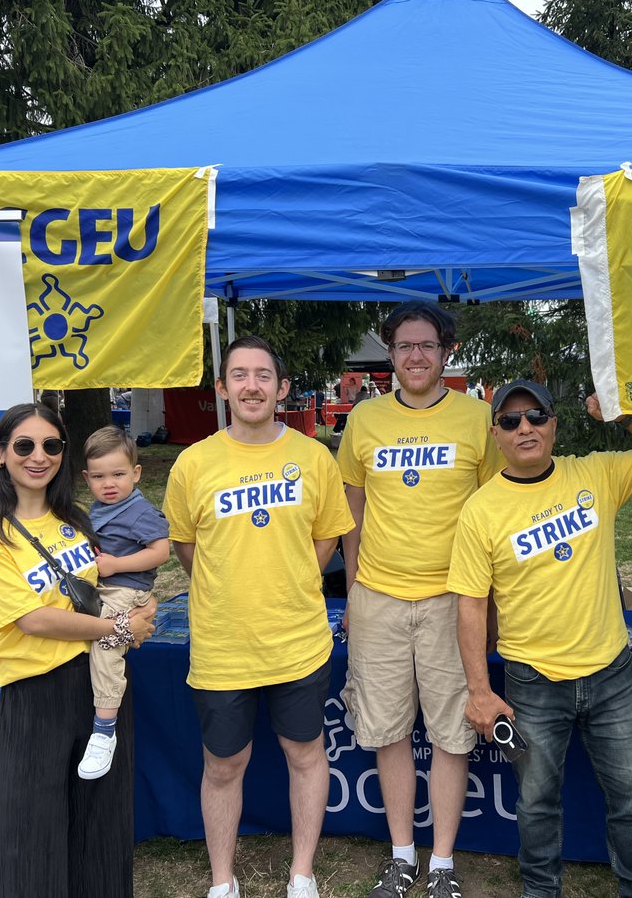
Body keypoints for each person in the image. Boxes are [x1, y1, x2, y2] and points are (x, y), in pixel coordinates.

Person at [449, 380, 632, 898]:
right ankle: (540, 892)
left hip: (611, 675)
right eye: (510, 421)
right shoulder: (481, 510)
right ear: (495, 435)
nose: (524, 428)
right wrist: (480, 691)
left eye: (534, 416)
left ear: (554, 423)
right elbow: (469, 605)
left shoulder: (594, 472)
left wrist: (624, 415)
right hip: (532, 682)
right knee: (536, 804)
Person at [163, 335, 354, 898]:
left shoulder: (313, 457)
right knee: (224, 765)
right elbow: (187, 550)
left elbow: (325, 543)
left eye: (263, 376)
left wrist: (285, 580)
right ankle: (223, 881)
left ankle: (302, 873)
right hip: (224, 644)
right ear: (222, 388)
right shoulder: (192, 464)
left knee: (305, 753)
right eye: (239, 376)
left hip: (296, 639)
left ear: (282, 388)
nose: (251, 386)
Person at [0, 403, 157, 898]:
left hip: (98, 688)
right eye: (24, 445)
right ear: (1, 455)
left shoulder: (76, 519)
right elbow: (32, 619)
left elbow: (120, 587)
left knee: (101, 824)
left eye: (51, 445)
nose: (38, 456)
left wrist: (140, 613)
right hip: (35, 696)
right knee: (31, 834)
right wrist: (118, 628)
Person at [337, 300, 502, 898]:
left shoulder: (478, 418)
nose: (414, 356)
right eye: (404, 345)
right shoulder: (365, 420)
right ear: (390, 352)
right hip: (378, 597)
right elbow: (350, 512)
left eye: (426, 346)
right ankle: (403, 855)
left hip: (451, 601)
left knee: (452, 735)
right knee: (387, 733)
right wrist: (353, 591)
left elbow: (494, 515)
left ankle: (442, 864)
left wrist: (488, 609)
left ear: (445, 352)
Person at [77, 426, 170, 779]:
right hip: (105, 587)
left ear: (136, 473)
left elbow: (161, 552)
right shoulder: (98, 509)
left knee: (106, 645)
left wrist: (117, 565)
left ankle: (104, 729)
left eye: (118, 474)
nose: (109, 483)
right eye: (99, 476)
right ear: (87, 478)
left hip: (125, 590)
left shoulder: (139, 511)